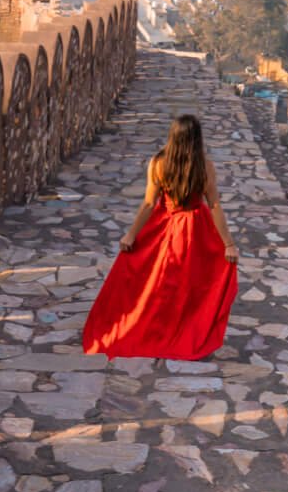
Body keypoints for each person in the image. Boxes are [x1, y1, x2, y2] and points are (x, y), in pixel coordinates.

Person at [83, 112, 239, 361]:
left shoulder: (158, 163)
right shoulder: (204, 166)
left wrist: (131, 234)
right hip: (194, 228)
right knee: (187, 286)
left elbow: (148, 203)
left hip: (164, 227)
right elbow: (215, 205)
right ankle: (181, 331)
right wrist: (228, 244)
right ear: (197, 139)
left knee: (155, 283)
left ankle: (153, 329)